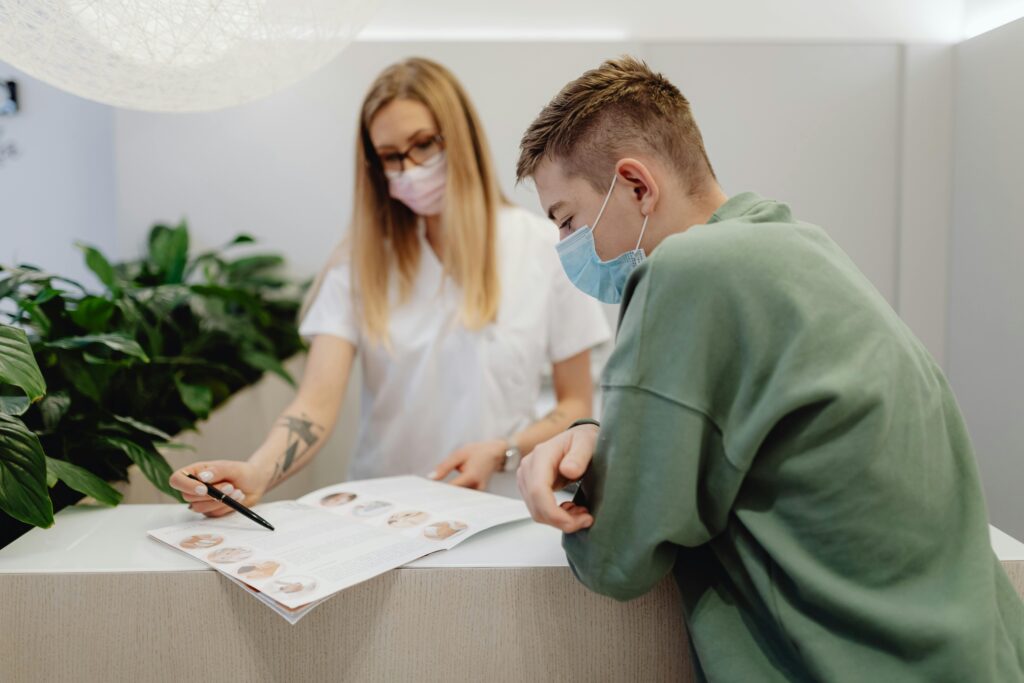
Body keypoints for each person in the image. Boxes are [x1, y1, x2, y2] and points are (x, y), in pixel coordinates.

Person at [515, 56, 1024, 681]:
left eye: (567, 220)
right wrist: (601, 436)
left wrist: (570, 482)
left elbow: (618, 559)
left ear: (637, 185)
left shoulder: (685, 273)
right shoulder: (796, 244)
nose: (569, 247)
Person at [168, 57, 609, 515]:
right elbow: (314, 405)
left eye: (423, 145)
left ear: (460, 137)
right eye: (391, 157)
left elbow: (574, 402)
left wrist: (503, 450)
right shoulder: (361, 265)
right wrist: (258, 472)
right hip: (382, 513)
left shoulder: (541, 247)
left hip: (498, 507)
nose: (411, 168)